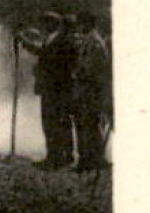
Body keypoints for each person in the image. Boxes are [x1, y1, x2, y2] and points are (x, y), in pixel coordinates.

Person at [17, 11, 77, 170]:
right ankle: (56, 155)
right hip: (51, 87)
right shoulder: (53, 38)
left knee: (57, 122)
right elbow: (45, 54)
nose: (44, 27)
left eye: (46, 23)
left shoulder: (61, 40)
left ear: (53, 24)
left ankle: (61, 156)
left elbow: (48, 56)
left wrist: (26, 42)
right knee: (52, 122)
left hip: (57, 87)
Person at [67, 11, 112, 172]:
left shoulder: (95, 42)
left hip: (91, 89)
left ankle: (93, 160)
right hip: (84, 89)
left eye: (81, 23)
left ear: (87, 23)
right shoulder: (88, 40)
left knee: (90, 125)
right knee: (83, 124)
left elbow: (91, 68)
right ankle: (86, 159)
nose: (79, 27)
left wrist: (77, 73)